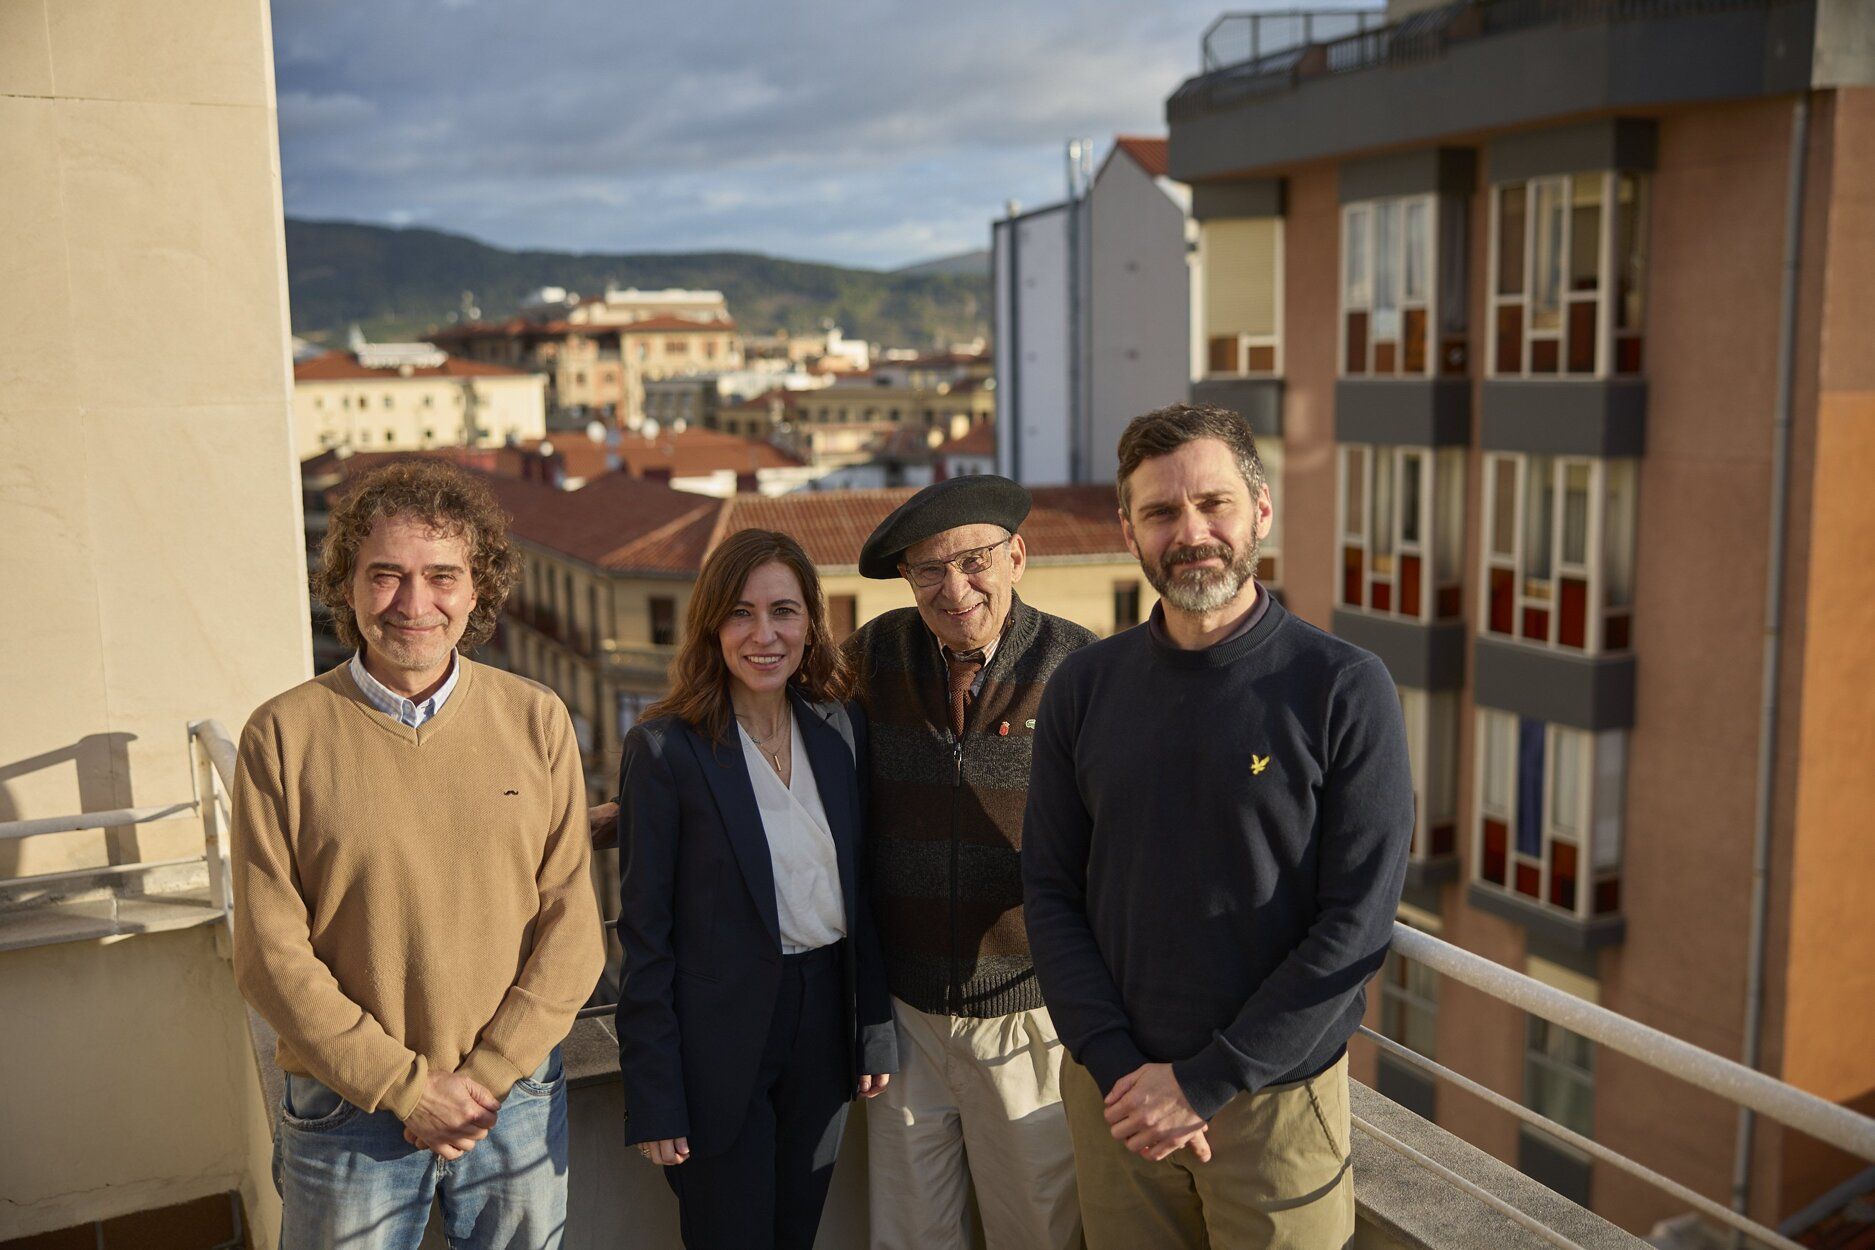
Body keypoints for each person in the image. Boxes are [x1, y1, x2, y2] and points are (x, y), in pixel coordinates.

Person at [1022, 404, 1415, 1249]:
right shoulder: (1083, 688)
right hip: (1114, 1100)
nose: (1191, 531)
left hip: (1273, 1108)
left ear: (1260, 511)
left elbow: (1356, 924)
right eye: (1161, 512)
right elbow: (1049, 891)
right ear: (1128, 529)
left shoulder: (1342, 687)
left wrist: (1205, 1082)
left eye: (1214, 503)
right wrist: (1120, 1068)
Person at [231, 460, 605, 1250]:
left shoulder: (536, 719)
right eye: (386, 576)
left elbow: (573, 925)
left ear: (476, 591)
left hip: (513, 1100)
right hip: (345, 1112)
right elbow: (269, 955)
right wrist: (408, 1088)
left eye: (441, 576)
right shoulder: (282, 734)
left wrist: (486, 1077)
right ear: (348, 585)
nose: (413, 603)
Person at [615, 528, 896, 1250]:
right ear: (712, 626)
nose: (763, 634)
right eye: (740, 613)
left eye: (784, 611)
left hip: (825, 1025)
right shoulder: (664, 750)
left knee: (796, 1231)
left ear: (810, 623)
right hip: (717, 1044)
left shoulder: (840, 730)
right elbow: (645, 933)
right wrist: (654, 1094)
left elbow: (858, 893)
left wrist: (871, 1031)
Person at [846, 475, 1093, 1250]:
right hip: (905, 1018)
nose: (953, 588)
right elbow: (771, 748)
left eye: (973, 560)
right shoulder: (872, 654)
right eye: (928, 570)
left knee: (1039, 1233)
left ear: (1015, 557)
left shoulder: (1080, 668)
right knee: (911, 1236)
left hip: (1029, 1018)